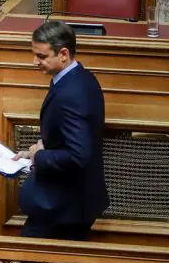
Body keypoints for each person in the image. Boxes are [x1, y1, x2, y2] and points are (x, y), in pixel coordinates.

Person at [15, 21, 110, 242]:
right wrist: (35, 150)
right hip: (68, 201)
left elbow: (78, 155)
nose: (34, 61)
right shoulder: (80, 78)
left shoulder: (71, 94)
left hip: (64, 206)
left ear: (64, 54)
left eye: (41, 56)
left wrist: (39, 155)